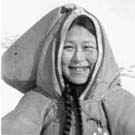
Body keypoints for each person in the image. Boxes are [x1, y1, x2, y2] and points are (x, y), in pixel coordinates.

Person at [1, 4, 135, 135]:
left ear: (101, 53)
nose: (78, 57)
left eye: (87, 47)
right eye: (68, 47)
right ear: (55, 53)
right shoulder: (38, 101)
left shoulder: (116, 99)